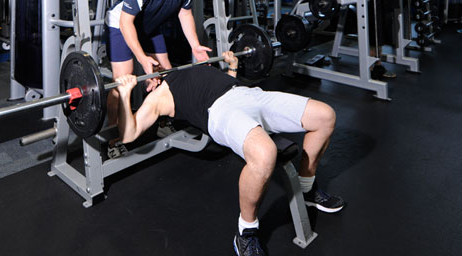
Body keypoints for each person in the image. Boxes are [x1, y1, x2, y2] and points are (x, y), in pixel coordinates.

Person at [114, 51, 345, 256]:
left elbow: (224, 84)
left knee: (325, 116)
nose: (154, 65)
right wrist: (125, 95)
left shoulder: (188, 68)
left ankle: (306, 188)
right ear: (147, 84)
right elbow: (128, 134)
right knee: (265, 154)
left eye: (154, 61)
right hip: (220, 113)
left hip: (248, 94)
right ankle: (246, 231)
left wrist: (232, 66)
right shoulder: (157, 97)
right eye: (147, 66)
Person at [104, 0, 212, 137]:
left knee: (166, 75)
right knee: (121, 83)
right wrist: (143, 58)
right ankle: (114, 134)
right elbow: (126, 22)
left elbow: (185, 14)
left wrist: (195, 45)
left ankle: (162, 121)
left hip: (150, 28)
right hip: (121, 25)